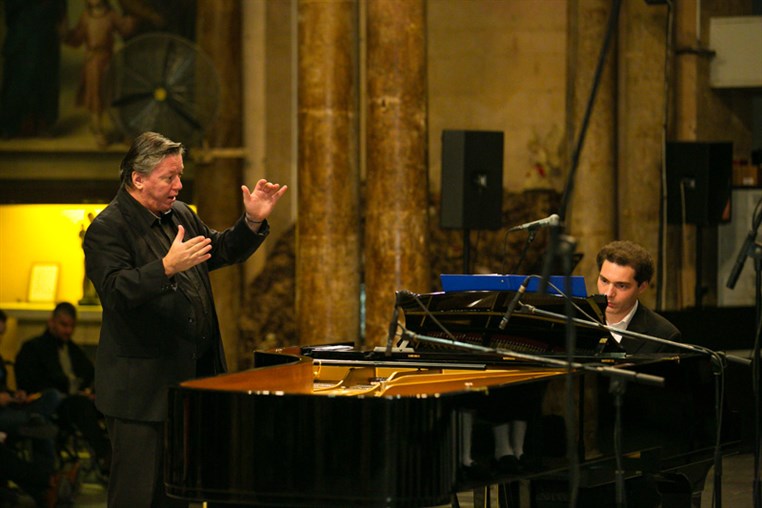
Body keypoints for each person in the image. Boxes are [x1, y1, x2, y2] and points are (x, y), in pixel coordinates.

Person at [82, 131, 287, 507]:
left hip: (189, 385)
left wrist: (252, 222)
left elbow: (219, 251)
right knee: (138, 497)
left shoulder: (179, 214)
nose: (178, 184)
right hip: (141, 396)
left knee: (179, 495)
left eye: (179, 175)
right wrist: (164, 268)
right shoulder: (108, 228)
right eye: (169, 177)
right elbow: (113, 292)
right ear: (137, 178)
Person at [14, 302, 111, 476]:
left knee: (103, 402)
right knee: (80, 405)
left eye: (71, 326)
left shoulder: (73, 350)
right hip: (53, 406)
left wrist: (90, 391)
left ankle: (114, 452)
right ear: (52, 322)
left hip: (77, 402)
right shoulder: (34, 348)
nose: (68, 330)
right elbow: (31, 382)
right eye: (63, 325)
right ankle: (106, 454)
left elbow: (91, 373)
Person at [595, 240, 681, 353]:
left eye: (621, 286)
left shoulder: (665, 337)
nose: (608, 293)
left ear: (642, 287)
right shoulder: (576, 320)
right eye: (604, 281)